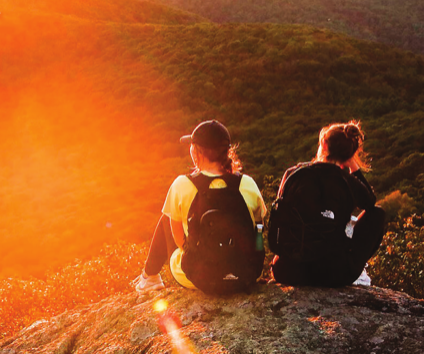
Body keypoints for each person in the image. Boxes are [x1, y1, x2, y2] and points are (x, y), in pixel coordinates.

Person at [135, 120, 267, 292]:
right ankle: (149, 277)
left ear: (197, 152)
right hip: (246, 274)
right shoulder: (247, 183)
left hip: (198, 277)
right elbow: (259, 227)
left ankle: (150, 277)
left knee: (168, 217)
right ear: (227, 152)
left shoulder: (182, 184)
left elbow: (180, 241)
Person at [270, 121, 386, 287]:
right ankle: (350, 264)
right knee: (377, 214)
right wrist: (352, 165)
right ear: (349, 154)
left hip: (289, 271)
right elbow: (370, 204)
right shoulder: (348, 182)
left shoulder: (293, 174)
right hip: (333, 274)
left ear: (323, 144)